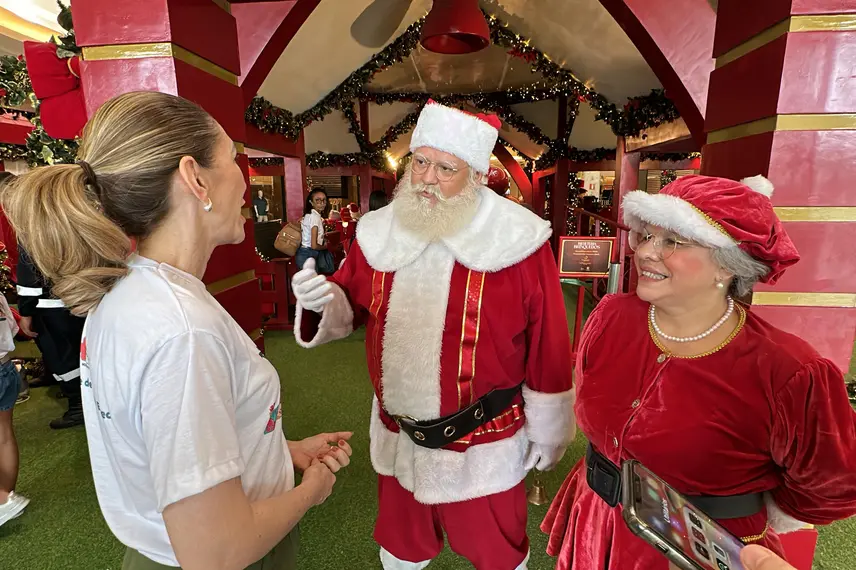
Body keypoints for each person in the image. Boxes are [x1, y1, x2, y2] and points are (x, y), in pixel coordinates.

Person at [0, 91, 353, 570]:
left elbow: (164, 443)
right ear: (196, 179)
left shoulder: (135, 289)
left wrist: (279, 450)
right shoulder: (182, 331)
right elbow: (216, 552)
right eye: (232, 159)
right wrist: (312, 491)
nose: (245, 183)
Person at [292, 100, 575, 570]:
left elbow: (548, 340)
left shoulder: (519, 241)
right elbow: (351, 300)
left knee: (498, 556)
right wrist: (322, 297)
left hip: (485, 441)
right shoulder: (378, 230)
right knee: (401, 552)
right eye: (420, 161)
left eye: (446, 167)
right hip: (398, 434)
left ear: (478, 175)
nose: (426, 178)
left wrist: (549, 427)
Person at [541, 175, 856, 570]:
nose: (646, 253)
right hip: (596, 517)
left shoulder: (789, 370)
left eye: (671, 241)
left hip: (699, 548)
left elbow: (833, 486)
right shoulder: (611, 317)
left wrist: (728, 512)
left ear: (726, 265)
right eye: (646, 236)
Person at [16, 244, 86, 428]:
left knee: (62, 357)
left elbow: (28, 277)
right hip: (78, 297)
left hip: (50, 304)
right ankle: (66, 386)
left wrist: (25, 312)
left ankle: (78, 406)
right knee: (74, 351)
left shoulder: (33, 223)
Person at [0, 268, 28, 526]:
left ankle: (2, 500)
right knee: (5, 435)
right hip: (6, 368)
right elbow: (11, 324)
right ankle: (6, 496)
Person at [295, 188, 331, 272]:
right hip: (308, 254)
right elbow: (314, 245)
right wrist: (326, 246)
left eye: (324, 200)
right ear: (311, 202)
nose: (322, 203)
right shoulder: (315, 217)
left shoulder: (309, 215)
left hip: (303, 253)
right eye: (318, 200)